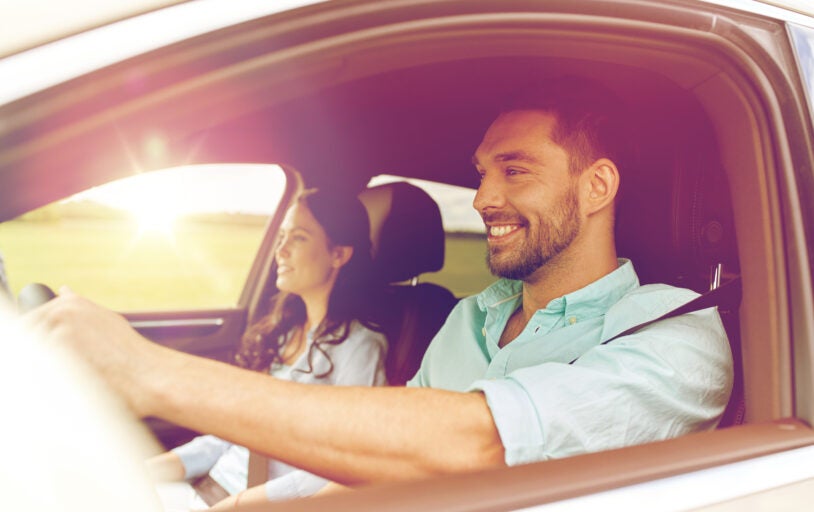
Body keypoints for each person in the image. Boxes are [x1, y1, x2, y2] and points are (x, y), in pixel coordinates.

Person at [30, 76, 732, 492]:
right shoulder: (469, 318)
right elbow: (386, 446)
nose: (484, 197)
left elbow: (483, 444)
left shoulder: (674, 338)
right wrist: (250, 504)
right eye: (481, 172)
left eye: (514, 170)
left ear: (598, 185)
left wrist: (147, 371)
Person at [146, 189, 388, 509]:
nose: (281, 250)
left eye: (298, 238)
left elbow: (348, 467)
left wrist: (243, 503)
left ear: (338, 255)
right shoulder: (283, 332)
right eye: (282, 237)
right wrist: (151, 470)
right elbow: (234, 432)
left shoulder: (361, 348)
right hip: (203, 490)